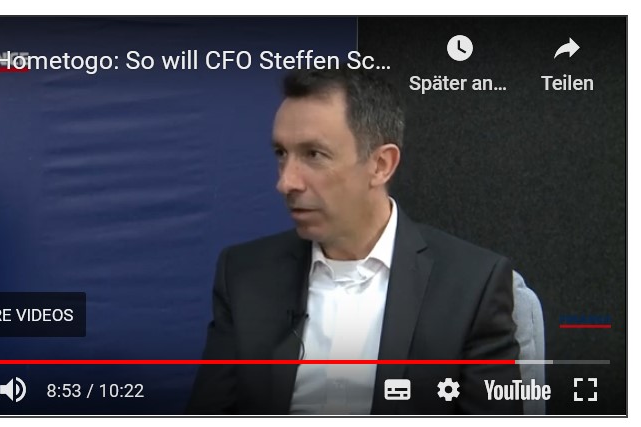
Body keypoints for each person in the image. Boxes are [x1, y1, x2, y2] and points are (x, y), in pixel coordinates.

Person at [186, 68, 522, 415]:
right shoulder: (245, 275)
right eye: (281, 153)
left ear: (381, 165)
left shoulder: (472, 284)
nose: (286, 182)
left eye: (313, 154)